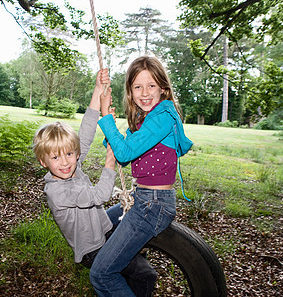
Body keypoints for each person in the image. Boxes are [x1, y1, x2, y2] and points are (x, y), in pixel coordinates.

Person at [32, 68, 157, 296]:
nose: (65, 163)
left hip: (101, 226)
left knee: (130, 209)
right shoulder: (57, 191)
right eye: (56, 157)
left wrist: (98, 90)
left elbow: (86, 134)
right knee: (145, 275)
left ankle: (129, 255)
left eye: (69, 154)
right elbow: (99, 196)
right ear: (43, 162)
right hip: (93, 249)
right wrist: (110, 159)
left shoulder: (71, 168)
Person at [90, 56, 194, 296]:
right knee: (101, 225)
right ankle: (137, 273)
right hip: (143, 198)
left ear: (163, 89)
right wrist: (110, 127)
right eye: (138, 86)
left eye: (151, 86)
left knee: (101, 275)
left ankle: (121, 272)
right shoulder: (145, 120)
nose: (144, 93)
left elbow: (125, 151)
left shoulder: (163, 118)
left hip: (153, 205)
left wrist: (106, 118)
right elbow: (124, 156)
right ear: (130, 90)